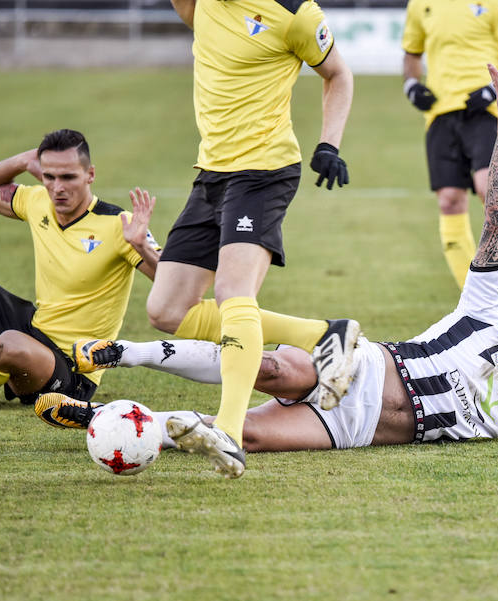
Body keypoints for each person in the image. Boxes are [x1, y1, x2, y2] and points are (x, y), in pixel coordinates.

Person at [37, 66, 498, 459]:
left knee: (236, 430)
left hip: (354, 429)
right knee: (272, 367)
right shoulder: (482, 310)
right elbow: (494, 217)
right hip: (361, 367)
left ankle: (113, 420)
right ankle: (118, 351)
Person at [144, 0, 356, 478]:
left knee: (233, 293)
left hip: (263, 171)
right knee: (166, 310)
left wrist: (329, 145)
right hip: (212, 173)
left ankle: (231, 434)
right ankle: (323, 335)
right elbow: (189, 14)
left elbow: (338, 74)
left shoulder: (296, 14)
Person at [0, 129, 160, 411]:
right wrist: (25, 160)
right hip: (33, 329)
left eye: (68, 177)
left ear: (90, 175)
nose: (58, 187)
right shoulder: (38, 201)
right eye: (49, 176)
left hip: (70, 369)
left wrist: (142, 246)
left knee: (9, 345)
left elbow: (171, 283)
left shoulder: (119, 224)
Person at [401, 0, 498, 307]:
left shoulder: (497, 4)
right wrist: (411, 85)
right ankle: (477, 300)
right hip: (439, 115)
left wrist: (491, 91)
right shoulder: (420, 4)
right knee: (449, 200)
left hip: (483, 112)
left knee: (488, 189)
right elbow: (411, 54)